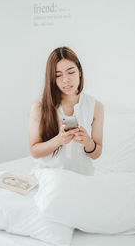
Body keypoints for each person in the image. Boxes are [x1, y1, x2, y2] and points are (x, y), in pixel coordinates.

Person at [28, 46, 104, 175]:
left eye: (71, 72)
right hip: (50, 177)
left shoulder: (95, 106)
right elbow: (35, 151)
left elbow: (96, 154)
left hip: (83, 177)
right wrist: (59, 140)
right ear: (52, 78)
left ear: (79, 72)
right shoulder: (40, 107)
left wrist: (88, 142)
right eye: (58, 75)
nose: (65, 80)